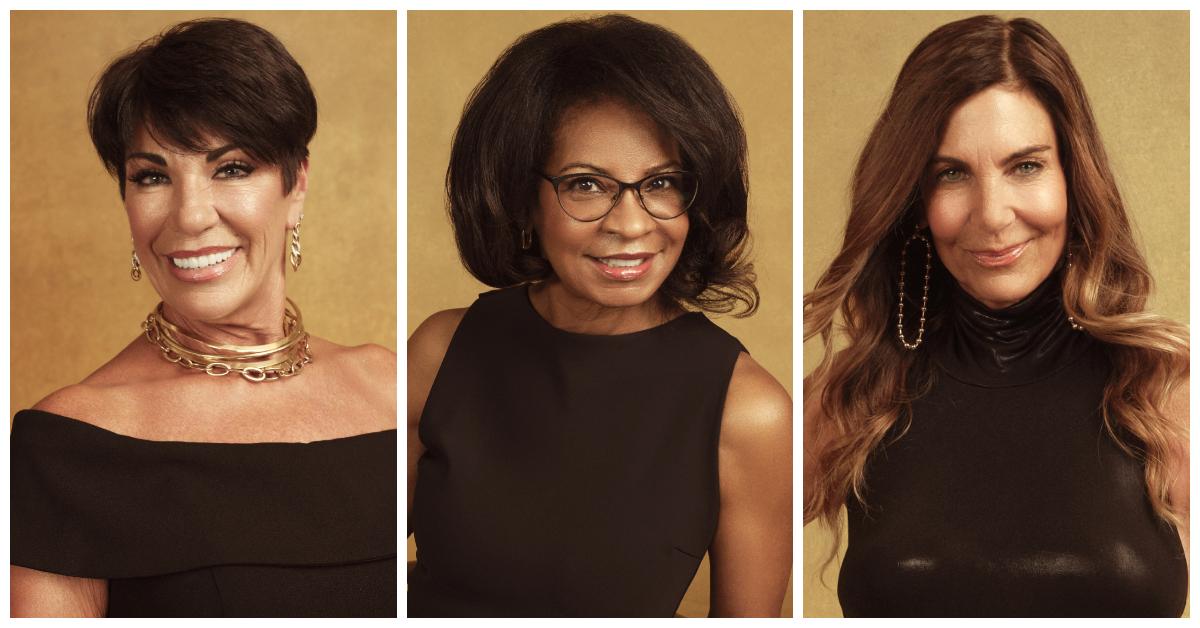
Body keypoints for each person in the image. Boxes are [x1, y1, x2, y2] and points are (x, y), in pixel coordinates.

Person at [10, 18, 397, 617]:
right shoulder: (69, 445)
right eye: (152, 176)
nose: (189, 217)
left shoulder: (391, 389)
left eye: (232, 168)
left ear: (296, 184)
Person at [407, 14, 792, 618]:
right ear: (522, 198)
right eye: (587, 185)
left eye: (662, 182)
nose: (631, 225)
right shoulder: (441, 350)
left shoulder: (748, 413)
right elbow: (357, 571)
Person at [803, 15, 1188, 617]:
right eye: (951, 174)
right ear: (915, 201)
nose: (992, 214)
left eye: (1025, 166)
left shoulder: (1167, 391)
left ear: (1073, 177)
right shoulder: (850, 398)